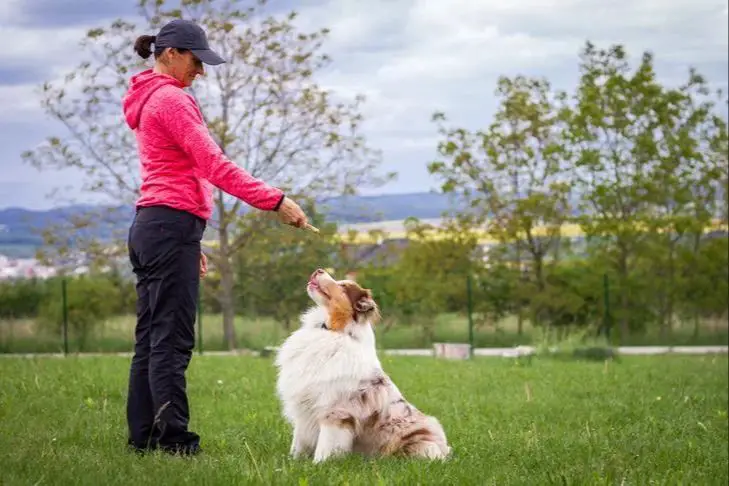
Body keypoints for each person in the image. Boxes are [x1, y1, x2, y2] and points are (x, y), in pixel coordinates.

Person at [122, 18, 309, 456]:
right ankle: (174, 442)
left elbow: (174, 174)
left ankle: (144, 437)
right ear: (170, 54)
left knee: (151, 336)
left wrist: (191, 239)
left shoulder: (147, 97)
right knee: (171, 339)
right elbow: (214, 165)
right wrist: (274, 200)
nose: (201, 72)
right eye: (196, 61)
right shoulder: (171, 100)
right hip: (167, 225)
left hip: (158, 225)